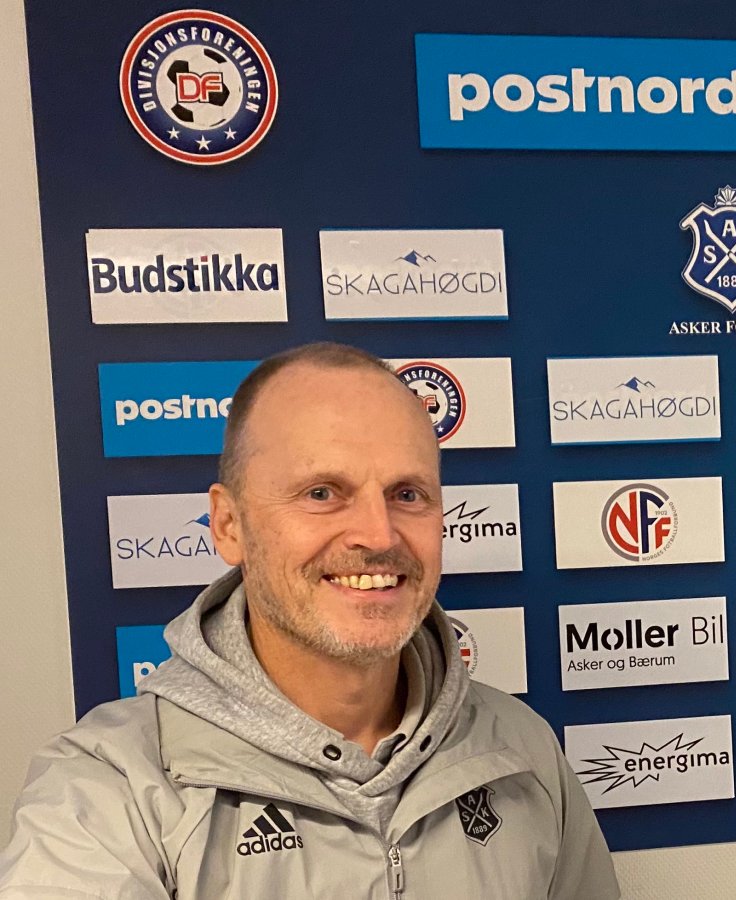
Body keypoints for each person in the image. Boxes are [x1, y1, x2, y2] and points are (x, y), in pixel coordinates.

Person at [0, 343, 620, 899]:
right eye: (322, 493)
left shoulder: (521, 749)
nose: (379, 535)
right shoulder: (106, 792)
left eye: (407, 494)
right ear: (228, 525)